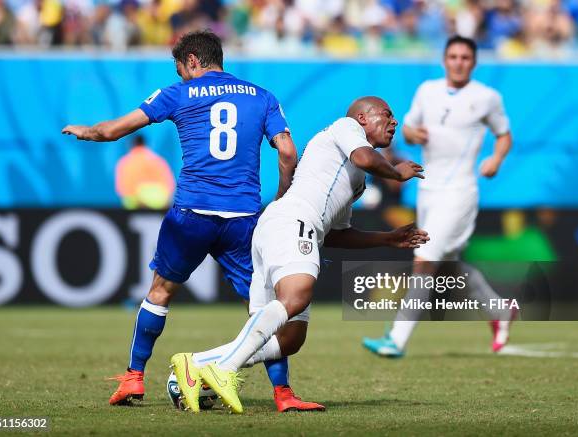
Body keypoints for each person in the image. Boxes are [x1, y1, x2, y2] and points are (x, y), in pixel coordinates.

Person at [62, 30, 322, 413]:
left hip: (191, 214)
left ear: (193, 62)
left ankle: (134, 378)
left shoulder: (178, 93)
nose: (182, 75)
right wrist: (281, 198)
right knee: (263, 306)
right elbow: (286, 151)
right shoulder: (262, 96)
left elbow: (115, 129)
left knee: (161, 291)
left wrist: (88, 132)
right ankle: (283, 395)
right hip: (243, 219)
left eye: (181, 68)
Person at [169, 96, 429, 414]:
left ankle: (197, 363)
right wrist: (396, 173)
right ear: (362, 118)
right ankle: (226, 369)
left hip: (282, 226)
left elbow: (337, 232)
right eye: (387, 115)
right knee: (298, 293)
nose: (394, 122)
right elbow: (363, 157)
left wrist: (388, 238)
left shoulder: (357, 181)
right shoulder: (346, 129)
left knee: (291, 337)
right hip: (293, 220)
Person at [362, 35, 516, 358]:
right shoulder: (427, 91)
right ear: (445, 60)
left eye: (465, 57)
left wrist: (496, 160)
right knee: (448, 266)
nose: (459, 62)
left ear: (473, 62)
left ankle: (396, 338)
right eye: (453, 56)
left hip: (460, 191)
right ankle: (501, 311)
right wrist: (412, 133)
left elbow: (504, 135)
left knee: (425, 260)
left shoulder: (487, 97)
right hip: (428, 191)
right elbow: (405, 129)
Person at [115, 134, 175, 210]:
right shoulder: (157, 159)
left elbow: (122, 188)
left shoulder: (125, 161)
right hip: (158, 201)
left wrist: (138, 200)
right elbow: (169, 184)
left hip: (134, 202)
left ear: (131, 144)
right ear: (145, 143)